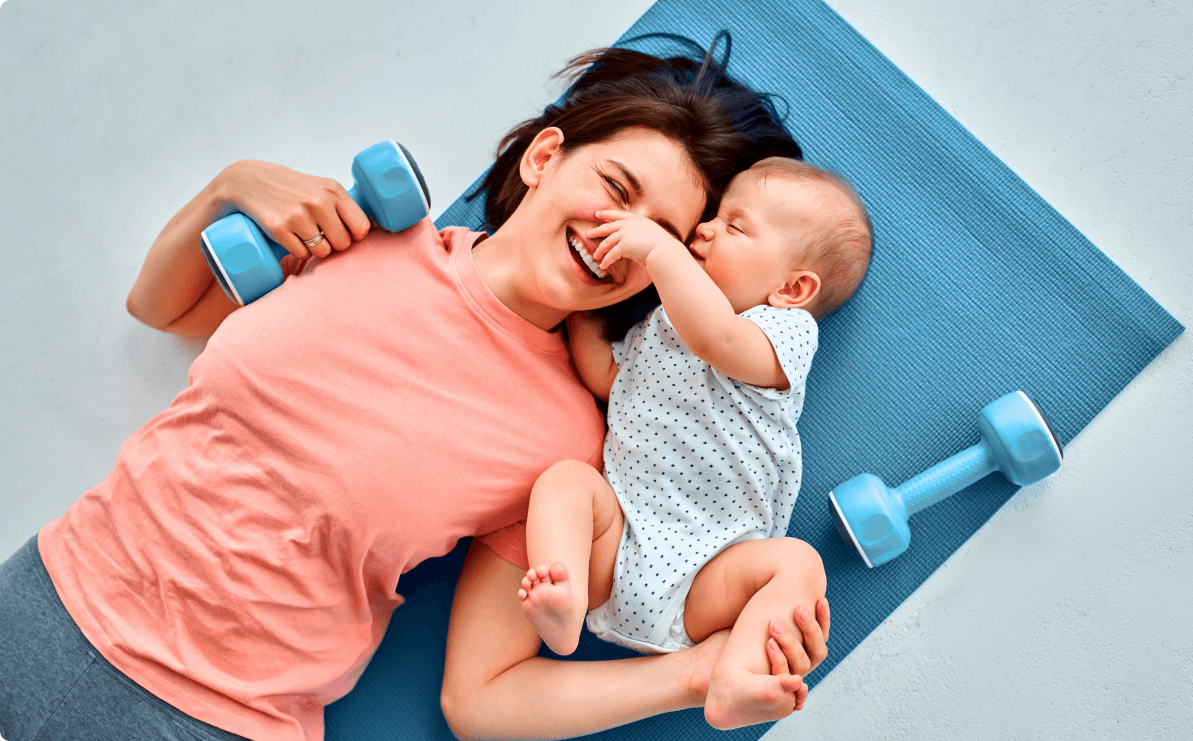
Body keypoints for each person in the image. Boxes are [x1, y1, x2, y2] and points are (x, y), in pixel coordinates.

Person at [0, 40, 830, 741]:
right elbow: (162, 307)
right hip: (44, 597)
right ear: (545, 158)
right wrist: (233, 184)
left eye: (667, 236)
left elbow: (481, 699)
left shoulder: (571, 442)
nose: (623, 239)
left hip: (219, 714)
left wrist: (692, 676)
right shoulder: (361, 238)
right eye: (617, 190)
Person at [516, 157, 872, 730]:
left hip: (710, 575)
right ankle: (564, 599)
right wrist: (578, 310)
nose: (703, 230)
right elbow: (612, 382)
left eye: (734, 226)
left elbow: (717, 337)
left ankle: (735, 679)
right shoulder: (660, 326)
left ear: (791, 288)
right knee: (566, 482)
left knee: (798, 562)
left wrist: (660, 253)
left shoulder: (781, 334)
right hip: (620, 547)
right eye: (713, 217)